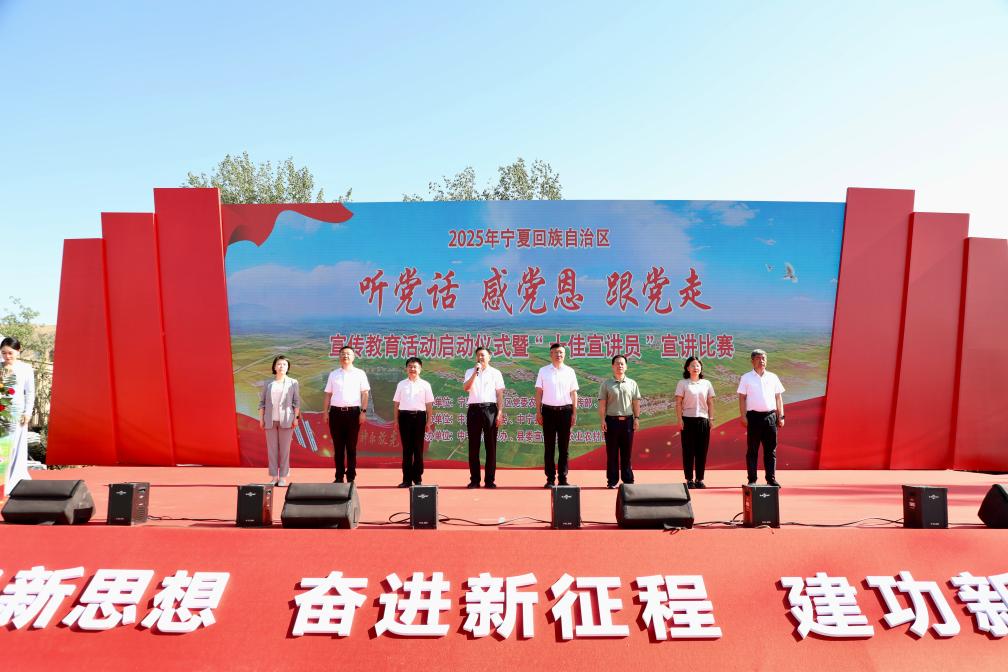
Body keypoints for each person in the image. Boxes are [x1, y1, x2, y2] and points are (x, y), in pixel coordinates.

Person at [737, 349, 785, 487]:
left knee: (770, 450)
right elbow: (742, 397)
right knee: (752, 450)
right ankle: (752, 479)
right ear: (752, 361)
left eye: (764, 358)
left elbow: (778, 397)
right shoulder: (746, 377)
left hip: (770, 416)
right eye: (758, 358)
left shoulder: (773, 377)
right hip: (753, 417)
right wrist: (743, 416)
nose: (762, 361)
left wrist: (781, 416)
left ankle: (771, 479)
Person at [323, 346, 370, 483]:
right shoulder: (334, 374)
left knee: (351, 446)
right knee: (338, 447)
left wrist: (363, 412)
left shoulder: (360, 373)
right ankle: (338, 477)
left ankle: (350, 477)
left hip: (353, 413)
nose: (345, 356)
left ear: (353, 357)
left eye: (348, 354)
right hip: (335, 413)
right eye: (343, 354)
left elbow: (365, 393)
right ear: (339, 357)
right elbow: (328, 394)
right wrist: (325, 412)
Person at [535, 343, 579, 487]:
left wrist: (574, 413)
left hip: (565, 412)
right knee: (549, 447)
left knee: (564, 448)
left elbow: (574, 393)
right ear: (551, 354)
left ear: (564, 355)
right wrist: (538, 412)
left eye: (561, 352)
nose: (558, 355)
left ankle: (563, 478)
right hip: (548, 412)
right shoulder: (543, 371)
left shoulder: (570, 371)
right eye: (556, 352)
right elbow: (539, 392)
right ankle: (550, 479)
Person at [462, 346, 505, 488]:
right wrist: (475, 373)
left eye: (483, 355)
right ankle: (474, 480)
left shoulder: (496, 373)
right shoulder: (470, 371)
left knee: (490, 446)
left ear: (489, 357)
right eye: (478, 355)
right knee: (473, 446)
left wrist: (500, 412)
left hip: (490, 410)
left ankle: (489, 480)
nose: (480, 357)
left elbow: (499, 394)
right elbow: (466, 388)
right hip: (474, 410)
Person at [598, 354, 641, 489]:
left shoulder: (632, 383)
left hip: (628, 421)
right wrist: (602, 420)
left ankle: (628, 480)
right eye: (617, 363)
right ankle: (612, 480)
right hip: (611, 422)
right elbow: (602, 405)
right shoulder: (606, 384)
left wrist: (637, 418)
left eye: (622, 363)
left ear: (626, 367)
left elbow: (636, 402)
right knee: (612, 453)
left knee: (626, 453)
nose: (620, 366)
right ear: (612, 366)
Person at [257, 355, 300, 487]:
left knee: (285, 450)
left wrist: (296, 418)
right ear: (274, 367)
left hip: (287, 420)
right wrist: (261, 419)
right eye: (279, 364)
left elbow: (296, 402)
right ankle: (274, 477)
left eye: (284, 364)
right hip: (270, 420)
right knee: (272, 450)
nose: (282, 366)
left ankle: (282, 477)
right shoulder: (268, 383)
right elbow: (262, 402)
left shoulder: (293, 382)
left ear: (288, 368)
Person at [393, 357, 434, 487]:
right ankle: (406, 479)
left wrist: (429, 421)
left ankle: (417, 478)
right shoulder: (401, 384)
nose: (412, 369)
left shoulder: (426, 385)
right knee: (407, 449)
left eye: (415, 367)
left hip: (419, 417)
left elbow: (429, 405)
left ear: (420, 369)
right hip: (404, 416)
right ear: (406, 369)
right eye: (410, 366)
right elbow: (396, 404)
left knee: (418, 448)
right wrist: (396, 420)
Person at [675, 356, 715, 489]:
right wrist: (680, 419)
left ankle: (699, 479)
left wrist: (711, 419)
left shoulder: (706, 383)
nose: (695, 368)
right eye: (692, 365)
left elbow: (710, 402)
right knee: (688, 451)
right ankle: (689, 479)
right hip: (687, 420)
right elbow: (678, 403)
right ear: (687, 368)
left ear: (701, 368)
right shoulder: (683, 383)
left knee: (701, 451)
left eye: (698, 365)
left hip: (703, 420)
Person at [1, 337, 35, 494]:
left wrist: (28, 412)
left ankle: (11, 481)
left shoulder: (25, 368)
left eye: (10, 353)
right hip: (1, 411)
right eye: (3, 353)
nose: (7, 356)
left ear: (18, 351)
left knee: (13, 447)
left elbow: (30, 392)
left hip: (17, 413)